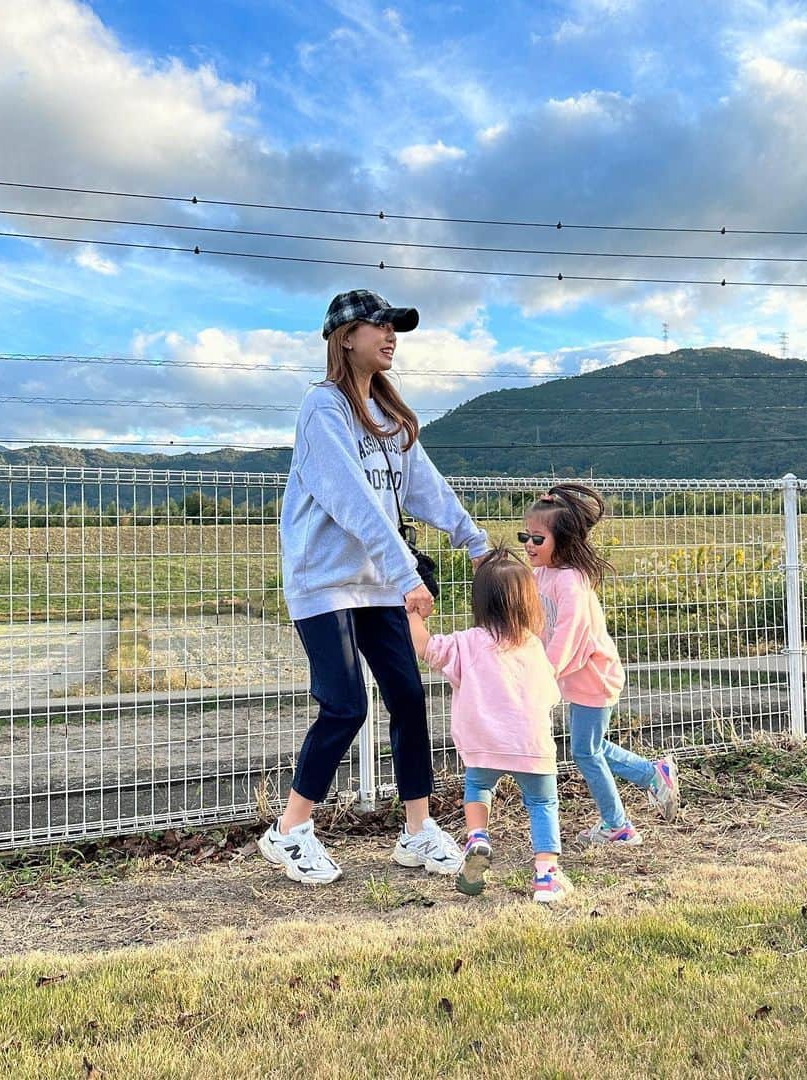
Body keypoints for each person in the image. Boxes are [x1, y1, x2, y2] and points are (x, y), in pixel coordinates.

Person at [258, 289, 489, 885]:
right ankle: (289, 832)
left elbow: (425, 488)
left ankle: (417, 831)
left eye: (395, 328)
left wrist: (477, 543)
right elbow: (353, 502)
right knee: (345, 705)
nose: (390, 336)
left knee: (410, 700)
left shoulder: (390, 421)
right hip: (326, 584)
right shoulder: (324, 408)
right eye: (378, 326)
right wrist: (407, 574)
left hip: (377, 583)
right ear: (345, 337)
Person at [408, 549, 574, 904]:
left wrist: (413, 614)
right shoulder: (532, 646)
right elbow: (549, 694)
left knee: (478, 788)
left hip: (483, 743)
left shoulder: (467, 643)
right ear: (528, 602)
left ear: (479, 601)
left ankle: (478, 837)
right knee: (543, 802)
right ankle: (546, 876)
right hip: (531, 745)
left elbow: (425, 647)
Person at [521, 483, 680, 845]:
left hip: (594, 678)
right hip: (575, 680)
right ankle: (653, 773)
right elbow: (534, 620)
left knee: (585, 751)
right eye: (525, 536)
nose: (529, 545)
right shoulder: (541, 574)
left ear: (564, 541)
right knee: (591, 746)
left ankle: (618, 825)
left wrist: (544, 675)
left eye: (537, 539)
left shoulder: (571, 582)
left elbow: (567, 634)